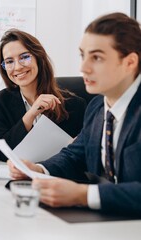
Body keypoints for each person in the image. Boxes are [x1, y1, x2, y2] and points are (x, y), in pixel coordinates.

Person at [8, 12, 141, 215]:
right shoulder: (97, 107)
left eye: (96, 57)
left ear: (130, 62)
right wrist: (38, 170)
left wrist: (84, 194)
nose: (83, 68)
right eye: (82, 56)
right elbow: (74, 155)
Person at [0, 29, 86, 161]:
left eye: (24, 57)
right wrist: (30, 115)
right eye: (9, 61)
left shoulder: (75, 104)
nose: (17, 67)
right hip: (16, 177)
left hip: (58, 177)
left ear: (39, 58)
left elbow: (83, 153)